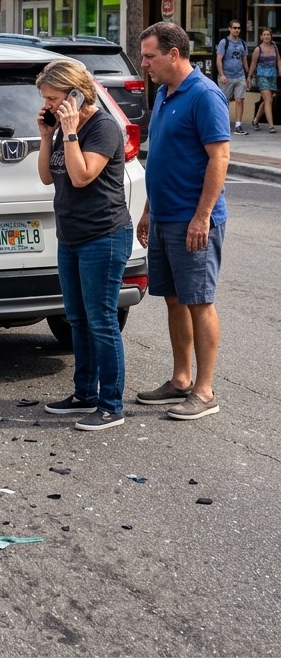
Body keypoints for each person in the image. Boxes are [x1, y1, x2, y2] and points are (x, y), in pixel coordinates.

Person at [136, 22, 230, 421]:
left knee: (199, 301)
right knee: (174, 299)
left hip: (193, 220)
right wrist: (146, 209)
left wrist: (202, 216)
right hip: (162, 215)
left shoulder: (205, 96)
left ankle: (204, 391)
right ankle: (180, 379)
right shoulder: (163, 93)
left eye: (149, 56)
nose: (144, 64)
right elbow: (159, 155)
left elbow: (219, 158)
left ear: (174, 54)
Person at [36, 60, 132, 431]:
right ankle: (84, 394)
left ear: (76, 93)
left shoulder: (102, 127)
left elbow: (80, 177)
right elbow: (47, 177)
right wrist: (48, 135)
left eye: (53, 97)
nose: (48, 105)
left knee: (102, 320)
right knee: (76, 318)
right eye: (45, 99)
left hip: (103, 236)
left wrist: (71, 131)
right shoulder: (63, 127)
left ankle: (111, 404)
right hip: (71, 235)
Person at [216, 20, 249, 134]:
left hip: (240, 76)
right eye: (234, 28)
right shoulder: (224, 42)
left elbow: (244, 59)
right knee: (224, 101)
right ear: (229, 29)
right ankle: (222, 124)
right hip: (227, 76)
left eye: (238, 28)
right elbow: (219, 59)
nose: (237, 30)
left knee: (239, 100)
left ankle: (238, 125)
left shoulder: (242, 43)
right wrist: (222, 75)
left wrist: (248, 75)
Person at [248, 27, 280, 132]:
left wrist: (280, 72)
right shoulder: (258, 49)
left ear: (271, 36)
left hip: (273, 77)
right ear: (261, 37)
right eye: (264, 35)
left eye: (268, 35)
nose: (267, 36)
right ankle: (271, 126)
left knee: (267, 101)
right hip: (262, 77)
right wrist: (249, 76)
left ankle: (256, 120)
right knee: (268, 100)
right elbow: (253, 64)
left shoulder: (274, 47)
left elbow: (279, 60)